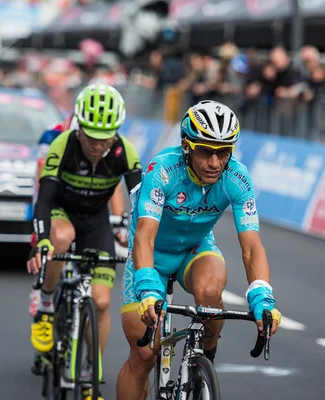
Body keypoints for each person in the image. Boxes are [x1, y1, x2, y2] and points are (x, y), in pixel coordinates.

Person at [116, 100, 282, 399]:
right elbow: (144, 237)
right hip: (149, 255)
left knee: (210, 291)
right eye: (206, 151)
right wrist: (147, 287)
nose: (216, 162)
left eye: (224, 152)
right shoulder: (163, 169)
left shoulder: (238, 177)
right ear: (186, 146)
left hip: (195, 248)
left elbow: (252, 246)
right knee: (142, 356)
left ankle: (203, 359)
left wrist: (262, 295)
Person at [27, 83, 142, 400]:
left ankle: (91, 374)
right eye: (90, 135)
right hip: (62, 212)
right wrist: (42, 241)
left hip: (95, 222)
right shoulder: (63, 145)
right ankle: (47, 304)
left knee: (102, 301)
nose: (96, 144)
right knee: (60, 239)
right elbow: (44, 199)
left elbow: (143, 204)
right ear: (78, 126)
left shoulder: (124, 151)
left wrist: (138, 237)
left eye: (105, 137)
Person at [28, 112, 128, 318]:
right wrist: (43, 227)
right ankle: (44, 290)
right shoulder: (52, 137)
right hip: (56, 194)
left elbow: (113, 183)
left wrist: (120, 223)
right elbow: (42, 181)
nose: (93, 146)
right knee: (60, 237)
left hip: (88, 202)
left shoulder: (102, 144)